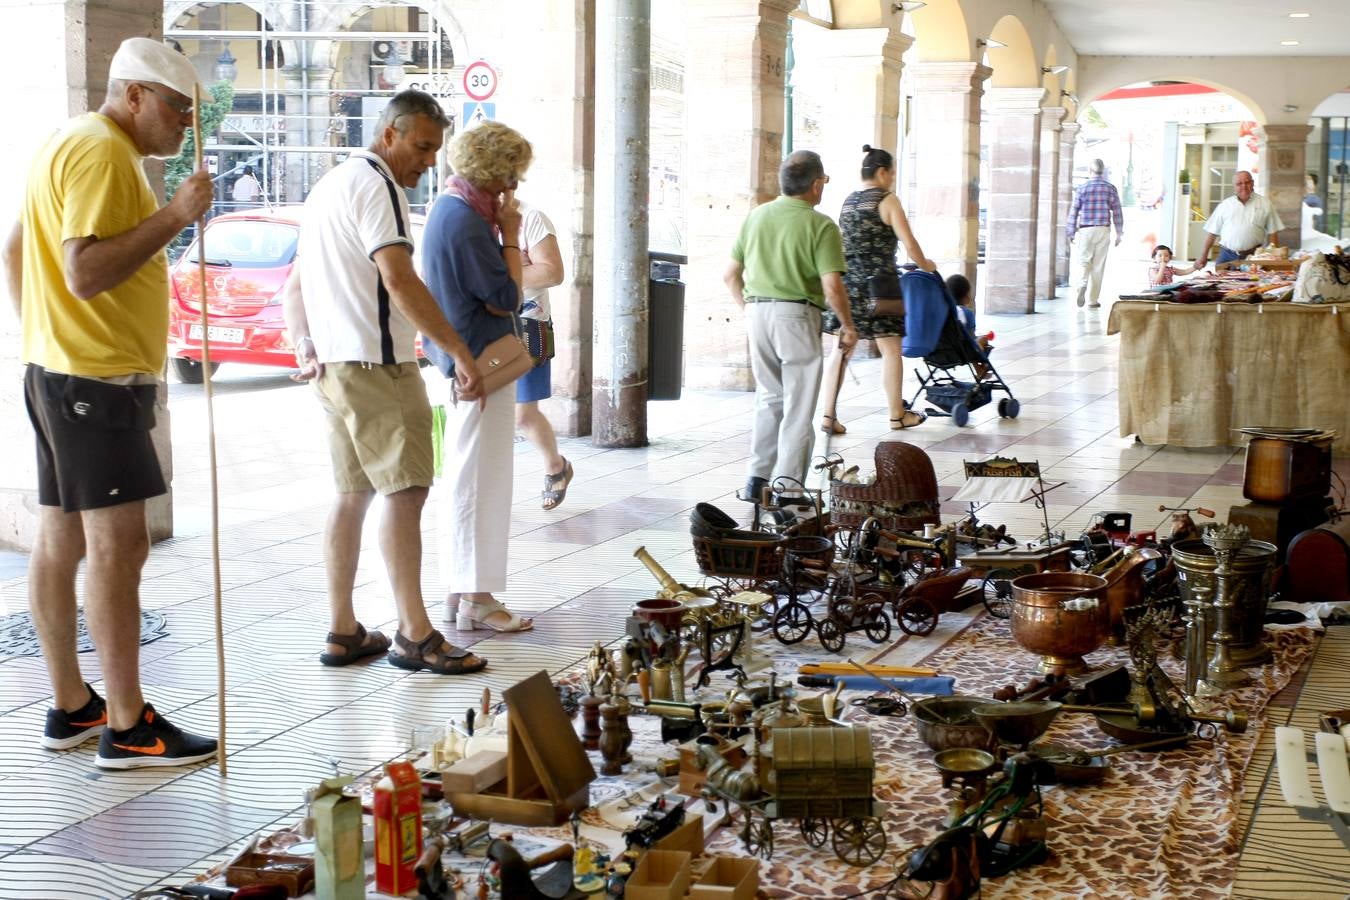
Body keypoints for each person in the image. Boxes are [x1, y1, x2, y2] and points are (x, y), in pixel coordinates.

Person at [2, 38, 218, 769]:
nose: (184, 125)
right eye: (175, 108)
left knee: (60, 539)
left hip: (61, 373)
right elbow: (85, 271)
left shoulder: (68, 140)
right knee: (117, 548)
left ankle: (71, 706)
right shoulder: (103, 153)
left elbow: (14, 250)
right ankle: (128, 727)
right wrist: (177, 215)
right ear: (133, 95)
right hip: (94, 383)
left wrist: (45, 335)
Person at [281, 89, 487, 676]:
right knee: (407, 491)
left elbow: (294, 285)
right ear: (390, 133)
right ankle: (415, 634)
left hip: (338, 369)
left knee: (351, 496)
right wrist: (456, 349)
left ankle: (343, 630)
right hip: (376, 363)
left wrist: (305, 342)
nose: (428, 162)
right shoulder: (378, 184)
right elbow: (398, 279)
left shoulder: (329, 185)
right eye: (422, 147)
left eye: (436, 150)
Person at [423, 121, 536, 634]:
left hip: (462, 363)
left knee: (468, 477)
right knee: (480, 482)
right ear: (499, 175)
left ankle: (458, 591)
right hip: (478, 366)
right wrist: (511, 237)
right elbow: (506, 297)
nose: (513, 189)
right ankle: (478, 598)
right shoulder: (469, 221)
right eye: (511, 177)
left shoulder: (451, 209)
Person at [724, 150, 854, 504]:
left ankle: (757, 478)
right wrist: (847, 325)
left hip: (757, 313)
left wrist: (748, 309)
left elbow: (730, 275)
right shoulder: (821, 225)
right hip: (795, 316)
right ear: (815, 185)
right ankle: (788, 487)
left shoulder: (756, 217)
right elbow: (832, 285)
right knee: (799, 405)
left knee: (769, 398)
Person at [820, 145, 934, 435]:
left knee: (841, 350)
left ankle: (828, 416)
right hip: (881, 286)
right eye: (892, 174)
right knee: (891, 349)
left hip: (848, 285)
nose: (892, 180)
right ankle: (897, 415)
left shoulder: (848, 202)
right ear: (881, 172)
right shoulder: (887, 200)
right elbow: (909, 243)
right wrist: (926, 265)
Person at [513, 201, 573, 510]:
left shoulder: (531, 218)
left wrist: (501, 272)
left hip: (525, 328)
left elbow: (551, 272)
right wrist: (520, 267)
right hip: (485, 326)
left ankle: (555, 467)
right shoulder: (470, 216)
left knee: (522, 414)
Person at [1194, 170, 1285, 269]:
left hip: (1254, 256)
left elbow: (1273, 232)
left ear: (1252, 183)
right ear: (1234, 186)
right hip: (1226, 256)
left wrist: (1274, 256)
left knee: (1253, 284)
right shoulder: (1225, 205)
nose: (1244, 186)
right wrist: (1203, 257)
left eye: (1247, 182)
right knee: (1221, 283)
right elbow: (1212, 233)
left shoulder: (1265, 203)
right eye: (1239, 184)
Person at [1065, 159, 1124, 309]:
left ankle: (1082, 284)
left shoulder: (1082, 188)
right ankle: (1092, 300)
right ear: (1102, 171)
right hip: (1103, 229)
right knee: (1098, 266)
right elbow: (1117, 211)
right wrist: (1119, 233)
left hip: (1085, 229)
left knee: (1084, 261)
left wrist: (1071, 232)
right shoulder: (1110, 188)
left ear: (1089, 172)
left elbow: (1074, 211)